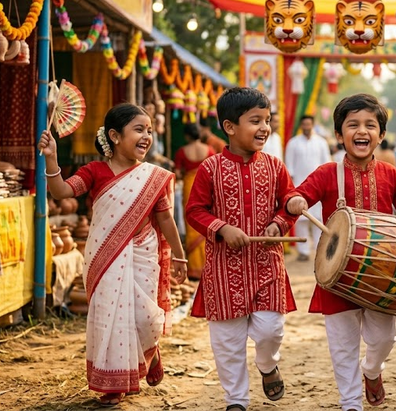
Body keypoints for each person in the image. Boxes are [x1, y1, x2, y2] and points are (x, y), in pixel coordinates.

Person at [285, 94, 396, 411]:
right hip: (337, 274)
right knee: (343, 345)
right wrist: (295, 201)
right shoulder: (326, 173)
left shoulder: (390, 173)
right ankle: (350, 402)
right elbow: (298, 196)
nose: (362, 131)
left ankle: (372, 369)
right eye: (353, 125)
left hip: (382, 274)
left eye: (370, 125)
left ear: (381, 134)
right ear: (340, 135)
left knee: (384, 339)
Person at [38, 103, 187, 407]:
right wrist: (52, 157)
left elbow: (165, 219)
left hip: (143, 254)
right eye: (139, 129)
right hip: (105, 257)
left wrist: (180, 256)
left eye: (149, 130)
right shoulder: (95, 171)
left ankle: (150, 350)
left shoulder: (153, 177)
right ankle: (113, 384)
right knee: (111, 317)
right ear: (115, 136)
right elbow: (62, 192)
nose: (147, 136)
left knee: (146, 318)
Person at [186, 87, 298, 411]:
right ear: (230, 127)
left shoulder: (275, 166)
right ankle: (236, 400)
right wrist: (222, 228)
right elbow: (195, 211)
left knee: (270, 330)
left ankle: (267, 364)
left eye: (267, 120)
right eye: (255, 121)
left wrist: (281, 221)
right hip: (224, 268)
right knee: (228, 342)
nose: (265, 127)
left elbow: (288, 202)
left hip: (267, 263)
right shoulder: (210, 168)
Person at [285, 115, 331, 261]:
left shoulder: (321, 143)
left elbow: (327, 165)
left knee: (319, 220)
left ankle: (319, 251)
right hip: (300, 187)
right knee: (301, 220)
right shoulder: (293, 143)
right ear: (301, 125)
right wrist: (292, 188)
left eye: (308, 124)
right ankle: (303, 252)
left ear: (312, 124)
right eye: (304, 124)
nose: (306, 127)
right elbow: (289, 167)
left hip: (319, 188)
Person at [174, 123, 215, 280]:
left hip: (190, 187)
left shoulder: (182, 152)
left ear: (187, 136)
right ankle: (207, 266)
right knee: (206, 222)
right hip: (206, 187)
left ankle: (194, 268)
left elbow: (178, 173)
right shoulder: (209, 150)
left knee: (192, 222)